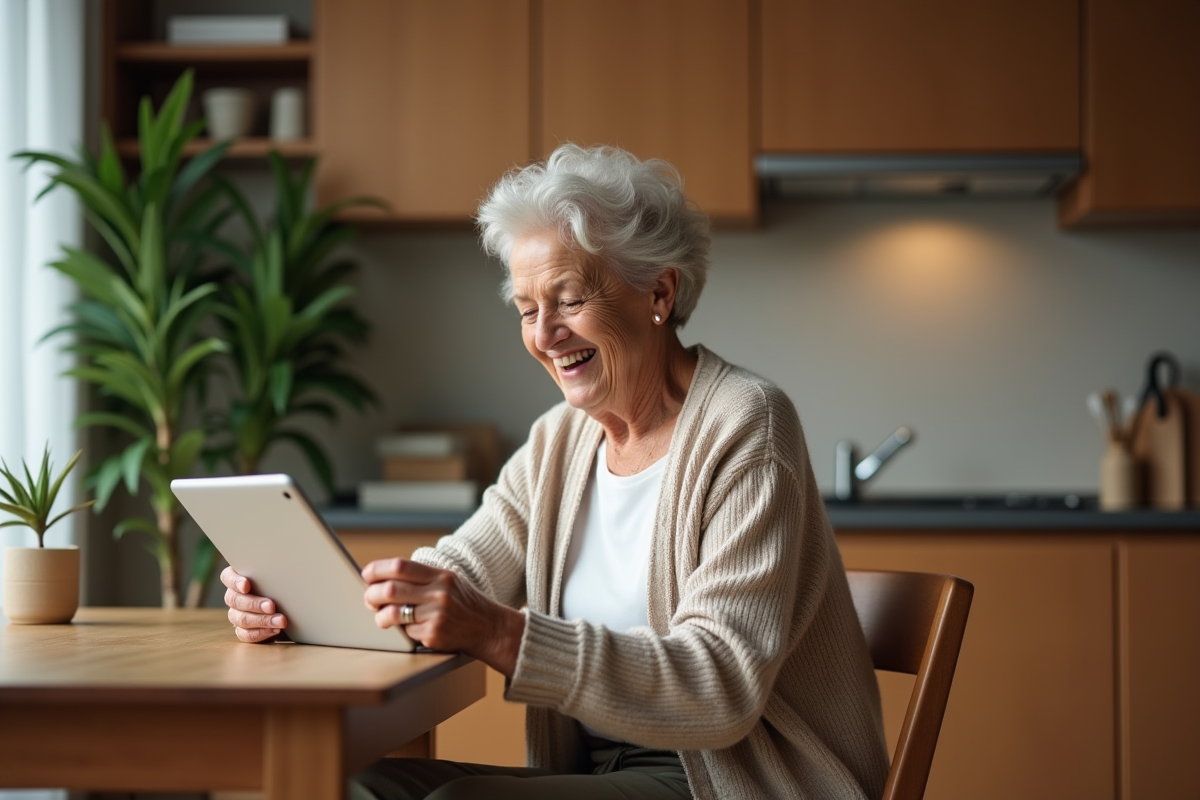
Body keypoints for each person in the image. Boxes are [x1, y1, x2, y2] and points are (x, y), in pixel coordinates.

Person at [221, 144, 889, 800]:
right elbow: (455, 576)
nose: (544, 335)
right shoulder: (559, 444)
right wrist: (300, 609)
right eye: (526, 308)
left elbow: (719, 690)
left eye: (568, 300)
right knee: (348, 782)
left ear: (659, 291)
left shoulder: (746, 424)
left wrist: (500, 632)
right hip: (606, 774)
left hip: (736, 780)